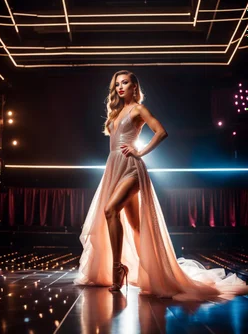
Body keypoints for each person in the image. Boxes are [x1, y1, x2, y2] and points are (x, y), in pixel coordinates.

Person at [74, 70, 248, 301]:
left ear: (135, 86)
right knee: (135, 226)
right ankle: (151, 271)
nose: (120, 87)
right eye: (117, 84)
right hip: (113, 168)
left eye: (125, 83)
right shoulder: (116, 112)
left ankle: (119, 269)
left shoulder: (138, 109)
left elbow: (161, 132)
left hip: (131, 168)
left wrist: (140, 151)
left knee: (110, 210)